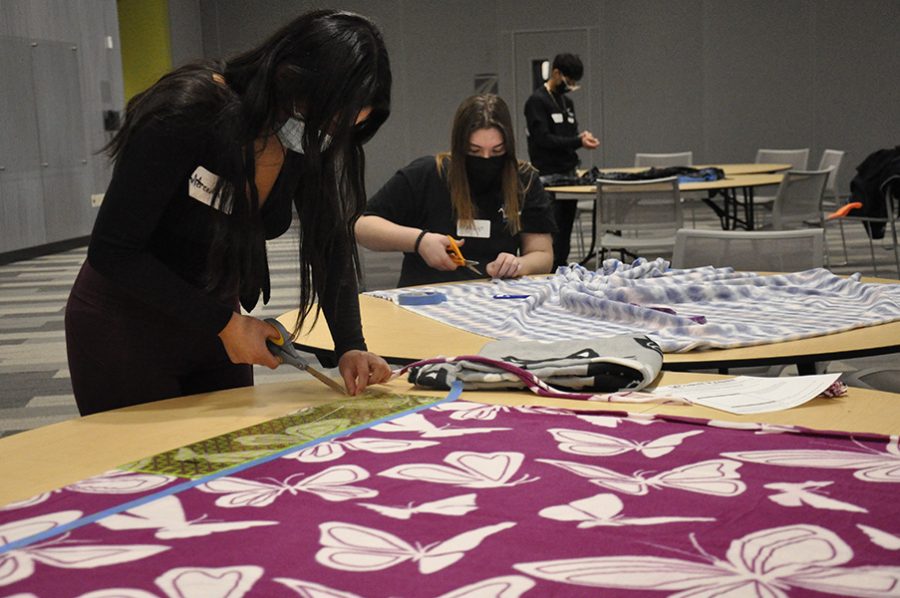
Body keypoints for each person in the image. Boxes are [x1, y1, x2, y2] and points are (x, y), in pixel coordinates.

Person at [64, 9, 393, 415]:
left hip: (214, 323)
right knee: (147, 472)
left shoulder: (305, 138)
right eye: (330, 121)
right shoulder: (185, 113)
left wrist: (350, 345)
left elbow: (330, 241)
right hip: (126, 324)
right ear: (291, 77)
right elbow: (113, 250)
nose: (327, 138)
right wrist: (226, 323)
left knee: (227, 463)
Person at [355, 94, 556, 287]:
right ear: (459, 148)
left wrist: (518, 265)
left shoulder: (524, 179)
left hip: (496, 299)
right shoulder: (427, 174)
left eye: (497, 151)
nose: (486, 159)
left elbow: (542, 254)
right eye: (474, 151)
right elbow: (361, 225)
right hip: (426, 300)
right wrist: (419, 241)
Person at [524, 53, 599, 269]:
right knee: (552, 230)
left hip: (569, 175)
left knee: (566, 229)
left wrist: (581, 139)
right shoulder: (536, 102)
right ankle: (549, 270)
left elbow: (569, 137)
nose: (571, 86)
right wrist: (577, 141)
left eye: (575, 83)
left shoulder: (567, 103)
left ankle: (562, 268)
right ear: (556, 73)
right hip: (548, 177)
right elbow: (543, 139)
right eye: (569, 81)